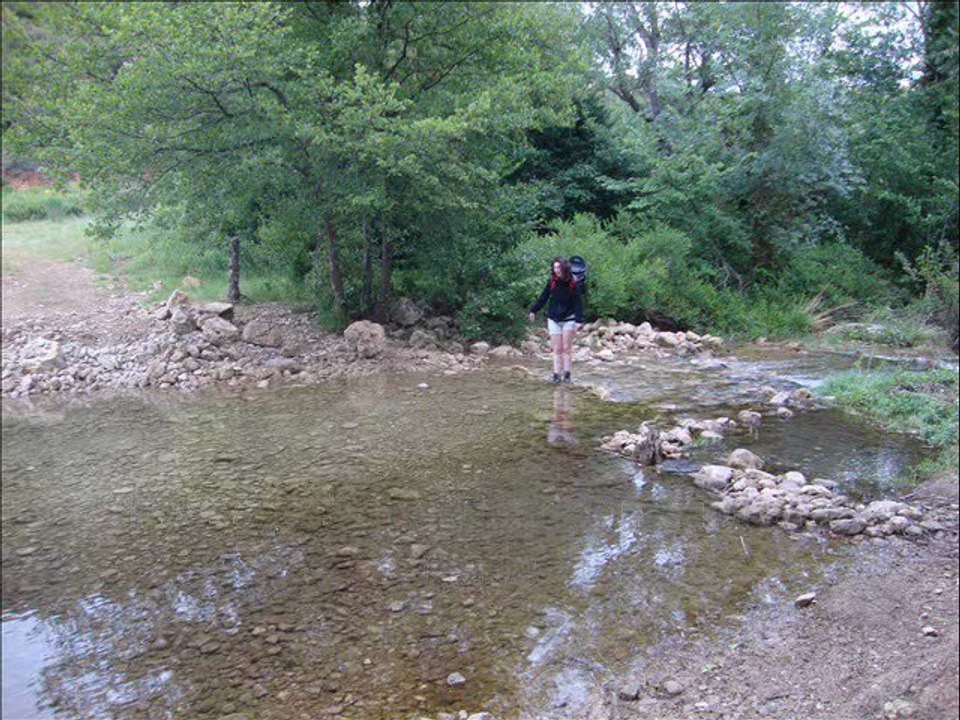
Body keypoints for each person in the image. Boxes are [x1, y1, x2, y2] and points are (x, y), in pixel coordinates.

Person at [529, 257, 583, 384]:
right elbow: (544, 297)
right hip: (553, 318)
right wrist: (533, 310)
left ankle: (568, 375)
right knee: (557, 349)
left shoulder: (573, 282)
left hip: (569, 318)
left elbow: (578, 302)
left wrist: (579, 320)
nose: (556, 270)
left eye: (558, 267)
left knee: (566, 349)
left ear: (564, 268)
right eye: (554, 267)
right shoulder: (552, 281)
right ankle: (556, 375)